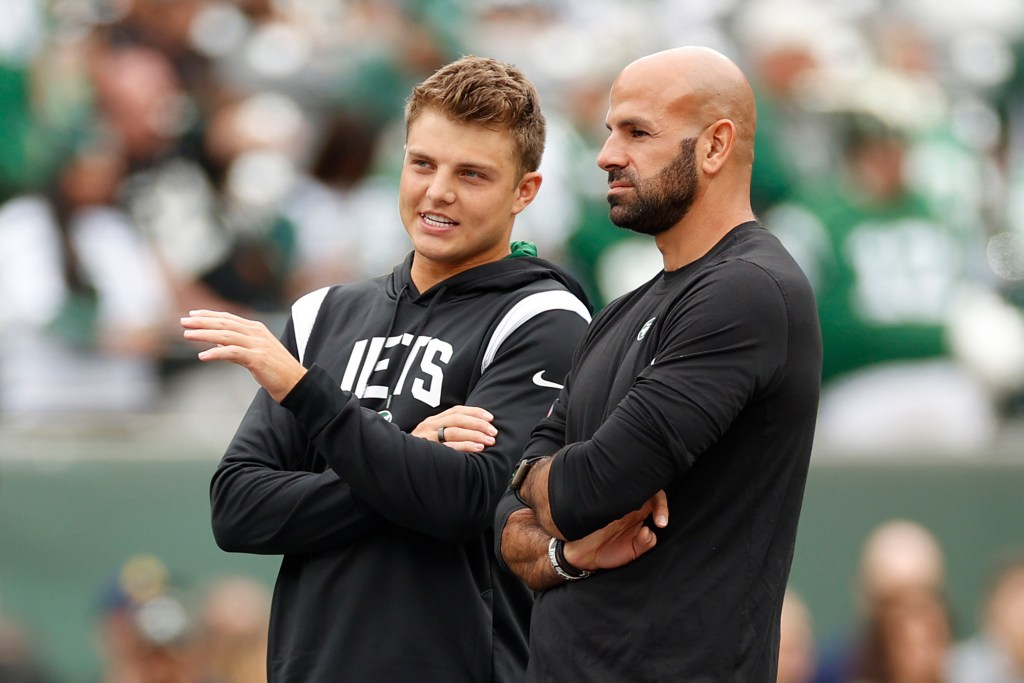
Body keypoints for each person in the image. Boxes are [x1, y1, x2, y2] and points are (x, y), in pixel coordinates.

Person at [180, 55, 593, 681]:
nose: (438, 191)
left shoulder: (544, 316)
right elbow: (237, 507)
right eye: (422, 163)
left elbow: (464, 498)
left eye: (472, 174)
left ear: (524, 191)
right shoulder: (324, 313)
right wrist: (401, 458)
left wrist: (306, 394)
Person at [496, 46, 822, 681]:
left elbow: (578, 491)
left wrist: (541, 485)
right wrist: (566, 549)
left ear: (715, 146)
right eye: (610, 130)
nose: (607, 155)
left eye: (637, 132)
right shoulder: (621, 311)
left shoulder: (748, 291)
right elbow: (508, 526)